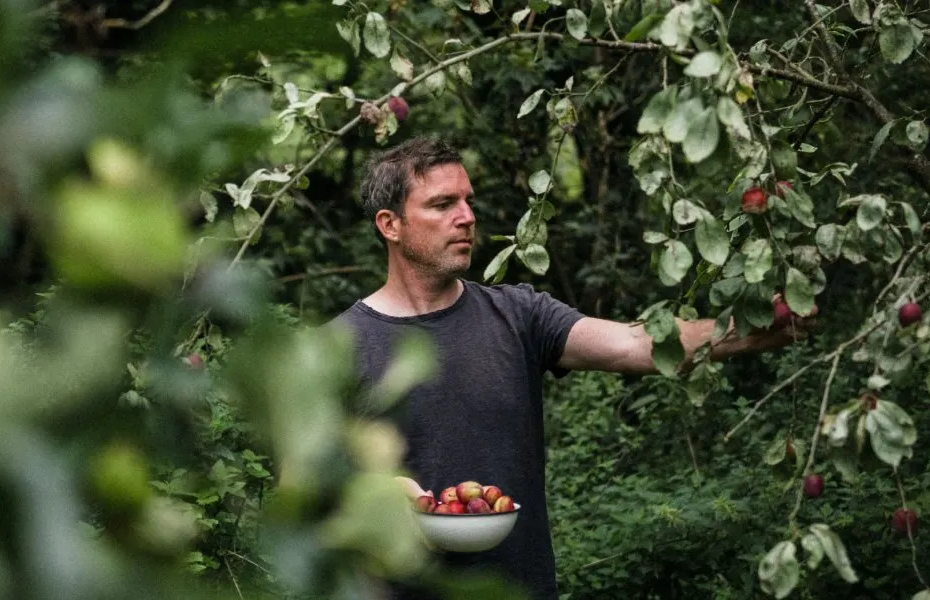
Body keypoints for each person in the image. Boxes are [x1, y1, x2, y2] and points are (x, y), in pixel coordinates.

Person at [328, 136, 814, 600]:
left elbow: (636, 344)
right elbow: (301, 487)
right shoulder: (338, 347)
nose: (467, 217)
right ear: (389, 225)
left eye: (468, 201)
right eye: (442, 205)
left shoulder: (519, 315)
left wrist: (759, 324)